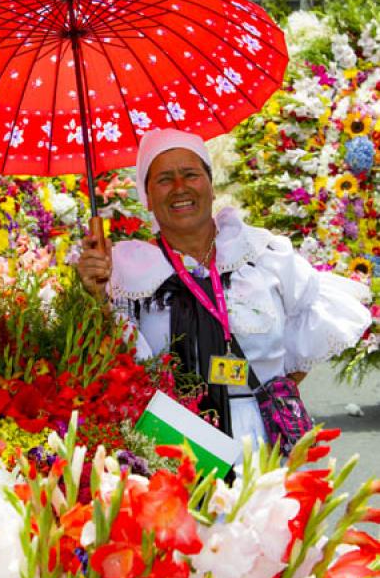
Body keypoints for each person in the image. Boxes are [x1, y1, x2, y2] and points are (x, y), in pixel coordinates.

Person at [77, 128, 371, 447]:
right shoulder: (125, 272)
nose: (179, 188)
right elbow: (118, 365)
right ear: (146, 196)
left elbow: (307, 339)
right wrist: (95, 295)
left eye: (190, 174)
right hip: (172, 444)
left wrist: (257, 401)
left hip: (265, 443)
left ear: (210, 185)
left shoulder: (264, 256)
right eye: (164, 179)